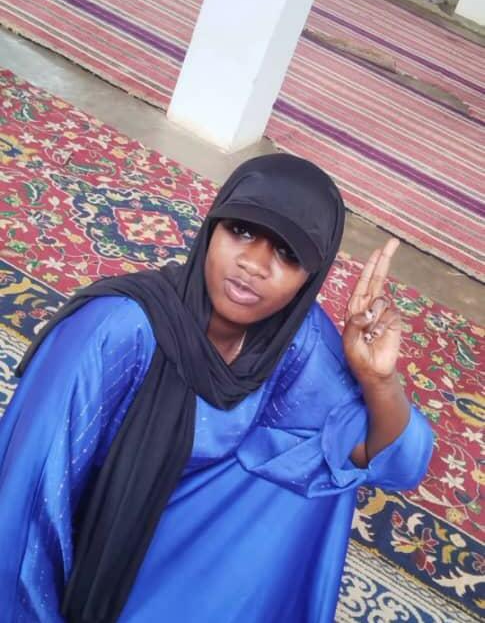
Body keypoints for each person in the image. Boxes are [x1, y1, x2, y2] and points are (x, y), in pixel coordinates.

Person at [0, 154, 433, 623]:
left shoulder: (293, 338)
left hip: (171, 549)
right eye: (241, 231)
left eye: (288, 255)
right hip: (89, 542)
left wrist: (378, 379)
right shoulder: (115, 331)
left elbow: (394, 464)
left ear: (311, 278)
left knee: (322, 469)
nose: (254, 264)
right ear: (212, 228)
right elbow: (26, 506)